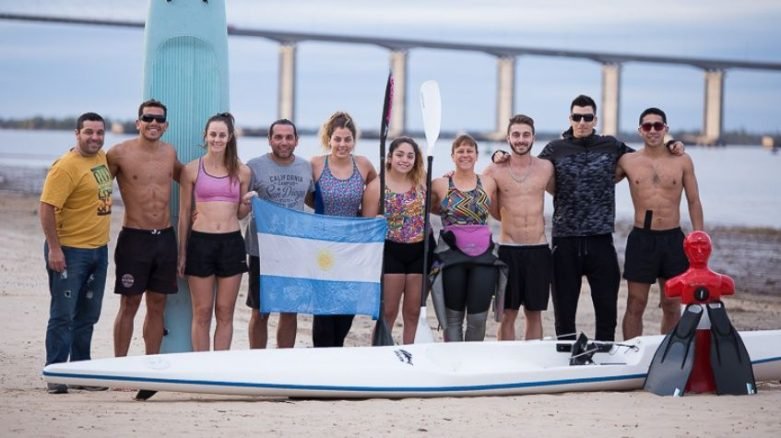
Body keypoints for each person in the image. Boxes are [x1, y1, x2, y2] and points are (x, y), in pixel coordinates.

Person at [40, 112, 113, 394]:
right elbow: (46, 207)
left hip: (98, 250)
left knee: (88, 315)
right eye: (89, 132)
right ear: (76, 133)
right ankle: (56, 372)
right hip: (69, 251)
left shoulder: (101, 158)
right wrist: (55, 248)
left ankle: (82, 371)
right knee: (63, 315)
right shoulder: (65, 166)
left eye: (99, 132)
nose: (94, 137)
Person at [617, 107, 703, 340]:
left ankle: (670, 353)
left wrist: (699, 237)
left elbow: (693, 201)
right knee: (635, 303)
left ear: (666, 129)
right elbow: (599, 181)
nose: (653, 130)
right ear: (640, 131)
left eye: (658, 126)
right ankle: (633, 353)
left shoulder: (682, 160)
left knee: (672, 302)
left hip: (673, 239)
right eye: (647, 126)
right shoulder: (628, 160)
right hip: (642, 239)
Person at [108, 99, 182, 356]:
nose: (153, 123)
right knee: (129, 303)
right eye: (148, 118)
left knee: (158, 304)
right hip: (134, 238)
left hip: (164, 238)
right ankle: (121, 366)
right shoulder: (118, 153)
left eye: (159, 119)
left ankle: (150, 366)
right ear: (138, 122)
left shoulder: (170, 153)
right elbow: (92, 181)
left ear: (166, 125)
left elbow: (191, 178)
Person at [177, 112, 250, 351]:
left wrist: (247, 204)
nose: (217, 139)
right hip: (200, 243)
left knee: (225, 311)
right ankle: (201, 368)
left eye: (222, 135)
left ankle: (219, 366)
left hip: (231, 243)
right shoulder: (191, 170)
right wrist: (182, 253)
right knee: (202, 311)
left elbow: (240, 214)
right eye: (213, 134)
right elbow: (185, 214)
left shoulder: (242, 171)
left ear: (229, 138)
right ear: (205, 136)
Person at [242, 119, 314, 349]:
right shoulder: (253, 166)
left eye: (288, 137)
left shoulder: (305, 167)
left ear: (296, 140)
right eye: (278, 137)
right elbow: (238, 200)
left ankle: (283, 362)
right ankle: (258, 361)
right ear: (270, 140)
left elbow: (313, 200)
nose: (284, 142)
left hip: (294, 250)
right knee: (260, 310)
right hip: (261, 250)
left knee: (289, 311)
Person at [309, 111, 377, 347]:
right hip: (324, 248)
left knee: (347, 307)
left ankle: (337, 351)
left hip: (353, 248)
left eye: (347, 139)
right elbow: (307, 196)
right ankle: (321, 356)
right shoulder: (316, 164)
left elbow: (377, 191)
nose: (342, 144)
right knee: (325, 307)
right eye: (338, 139)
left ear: (353, 140)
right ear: (329, 139)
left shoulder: (364, 165)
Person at [483, 115, 554, 341]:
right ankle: (506, 363)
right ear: (508, 138)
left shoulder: (546, 167)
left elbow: (566, 191)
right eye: (516, 135)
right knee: (507, 314)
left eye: (525, 134)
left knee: (535, 313)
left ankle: (532, 361)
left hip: (538, 249)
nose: (521, 140)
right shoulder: (494, 170)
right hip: (508, 249)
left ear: (533, 137)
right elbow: (475, 192)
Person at [430, 134, 502, 342]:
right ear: (452, 155)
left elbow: (502, 206)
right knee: (453, 319)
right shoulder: (440, 184)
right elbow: (426, 206)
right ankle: (453, 359)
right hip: (452, 257)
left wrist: (500, 155)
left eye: (469, 151)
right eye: (460, 151)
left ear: (477, 156)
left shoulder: (488, 182)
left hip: (483, 257)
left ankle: (473, 360)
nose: (465, 154)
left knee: (478, 319)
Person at [363, 136, 429, 344]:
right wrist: (376, 221)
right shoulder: (377, 186)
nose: (405, 160)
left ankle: (410, 355)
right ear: (390, 157)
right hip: (390, 251)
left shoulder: (421, 181)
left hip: (419, 251)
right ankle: (379, 356)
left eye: (410, 156)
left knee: (412, 313)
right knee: (388, 312)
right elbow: (367, 226)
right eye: (400, 155)